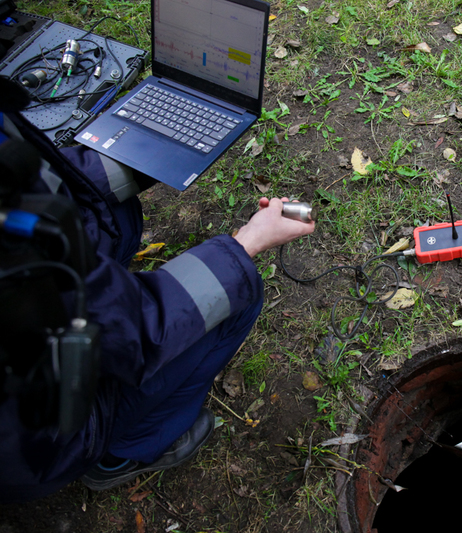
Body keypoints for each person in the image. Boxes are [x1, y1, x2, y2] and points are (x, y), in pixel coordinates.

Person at [0, 77, 315, 502]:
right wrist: (247, 244)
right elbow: (137, 335)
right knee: (237, 292)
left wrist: (148, 150)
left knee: (114, 212)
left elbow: (44, 193)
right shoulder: (16, 263)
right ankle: (123, 451)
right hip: (38, 440)